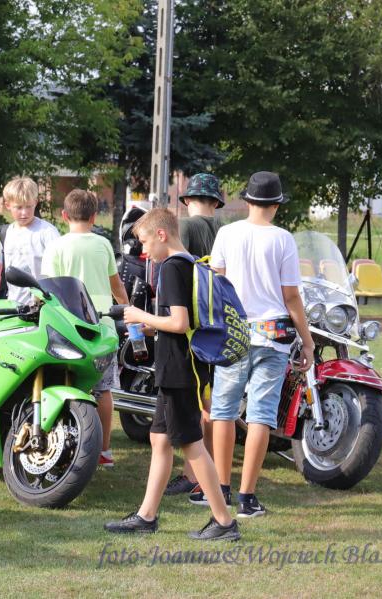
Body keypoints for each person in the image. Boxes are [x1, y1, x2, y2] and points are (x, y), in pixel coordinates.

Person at [104, 208, 240, 541]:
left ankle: (224, 522)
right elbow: (182, 323)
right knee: (160, 439)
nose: (143, 250)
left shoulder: (172, 268)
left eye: (145, 241)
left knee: (191, 444)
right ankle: (146, 516)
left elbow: (179, 322)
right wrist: (150, 328)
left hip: (180, 371)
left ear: (162, 235)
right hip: (177, 367)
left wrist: (139, 315)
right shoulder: (189, 263)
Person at [208, 171, 315, 518]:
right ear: (276, 205)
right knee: (260, 415)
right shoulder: (283, 239)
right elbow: (291, 296)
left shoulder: (226, 233)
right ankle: (247, 498)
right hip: (272, 336)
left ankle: (220, 488)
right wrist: (308, 341)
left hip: (233, 334)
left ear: (248, 201)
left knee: (224, 411)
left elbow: (217, 284)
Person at [42, 189, 129, 468]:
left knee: (62, 384)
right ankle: (104, 450)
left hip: (68, 325)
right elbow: (116, 285)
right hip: (101, 325)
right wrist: (126, 307)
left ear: (64, 216)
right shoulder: (103, 245)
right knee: (103, 390)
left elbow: (47, 288)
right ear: (94, 217)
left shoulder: (56, 246)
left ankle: (63, 443)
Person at [166, 173, 224, 499]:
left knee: (199, 401)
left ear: (187, 200)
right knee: (213, 399)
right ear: (216, 201)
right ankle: (208, 469)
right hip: (223, 322)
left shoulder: (186, 227)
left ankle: (195, 474)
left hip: (194, 323)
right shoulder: (226, 230)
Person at [0, 176, 61, 303]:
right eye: (19, 207)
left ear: (36, 202)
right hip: (14, 304)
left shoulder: (47, 232)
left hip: (43, 306)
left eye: (29, 207)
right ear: (8, 205)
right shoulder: (5, 233)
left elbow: (59, 272)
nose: (24, 213)